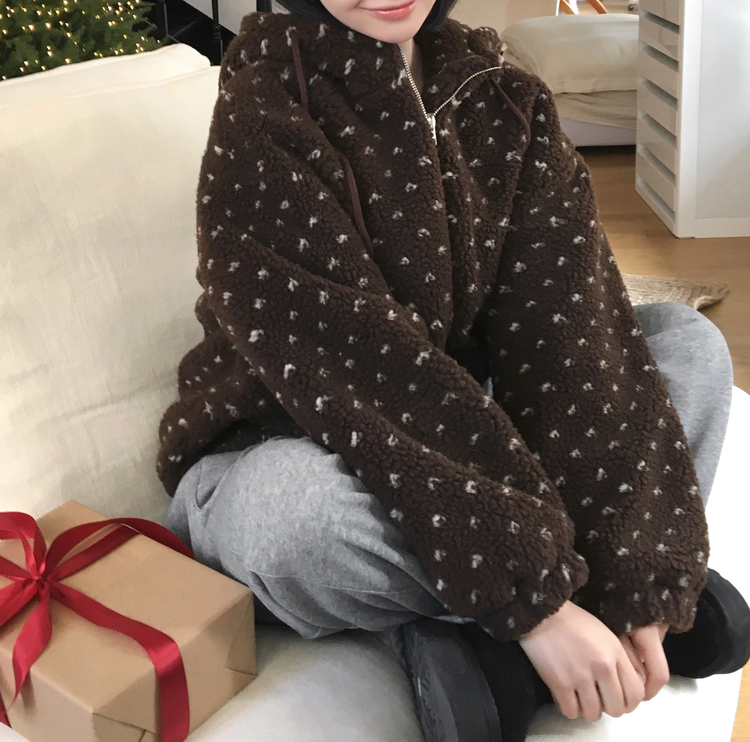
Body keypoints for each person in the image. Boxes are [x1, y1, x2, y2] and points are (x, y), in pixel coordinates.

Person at [156, 1, 750, 740]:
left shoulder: (504, 96)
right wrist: (537, 603)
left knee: (687, 343)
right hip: (294, 438)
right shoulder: (262, 113)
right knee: (294, 520)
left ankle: (557, 613)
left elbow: (568, 331)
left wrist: (643, 570)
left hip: (467, 420)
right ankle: (531, 615)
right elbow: (366, 371)